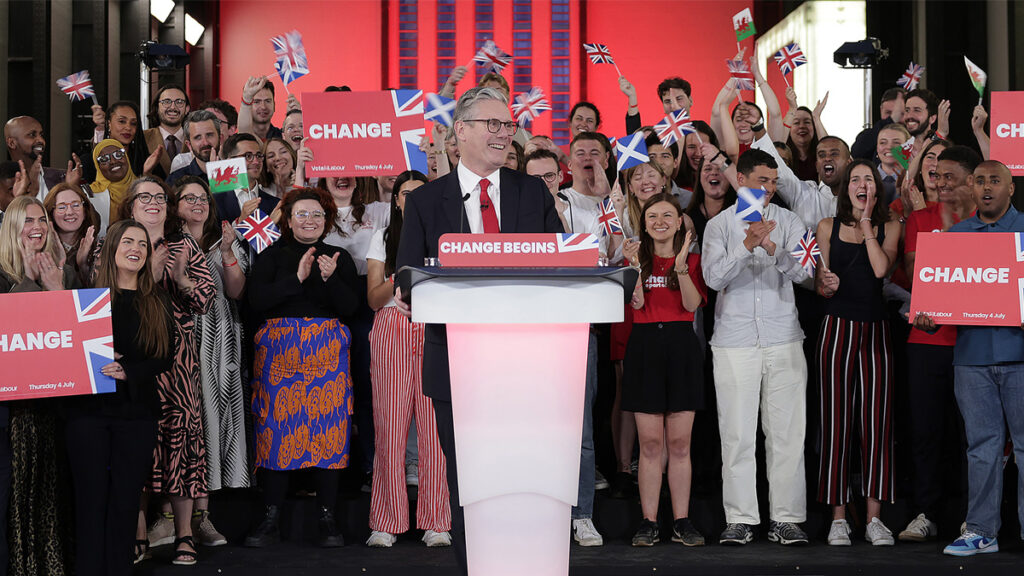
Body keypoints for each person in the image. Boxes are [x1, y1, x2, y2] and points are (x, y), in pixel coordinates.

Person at [396, 86, 563, 575]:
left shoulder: (531, 190)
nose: (502, 133)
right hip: (454, 361)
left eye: (507, 125)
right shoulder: (426, 201)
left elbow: (559, 262)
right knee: (468, 478)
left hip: (527, 361)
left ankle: (528, 563)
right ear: (459, 133)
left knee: (523, 471)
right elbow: (407, 280)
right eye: (491, 124)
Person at [701, 149, 812, 546]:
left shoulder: (789, 220)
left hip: (784, 336)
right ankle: (741, 519)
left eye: (774, 182)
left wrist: (773, 250)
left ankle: (786, 518)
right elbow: (713, 279)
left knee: (786, 434)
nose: (768, 188)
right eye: (762, 180)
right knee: (736, 434)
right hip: (734, 342)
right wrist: (746, 245)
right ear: (743, 180)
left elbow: (806, 271)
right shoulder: (719, 226)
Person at [244, 187, 361, 548]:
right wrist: (295, 279)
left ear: (326, 221)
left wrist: (329, 280)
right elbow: (255, 300)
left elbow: (352, 308)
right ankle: (271, 517)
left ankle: (328, 518)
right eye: (301, 214)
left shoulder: (339, 257)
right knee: (277, 430)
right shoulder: (271, 256)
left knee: (329, 431)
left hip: (327, 358)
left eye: (316, 215)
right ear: (288, 219)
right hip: (280, 358)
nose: (309, 221)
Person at [921, 160, 1024, 557]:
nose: (986, 187)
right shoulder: (955, 237)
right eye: (979, 180)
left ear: (1010, 188)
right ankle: (981, 530)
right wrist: (928, 317)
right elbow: (936, 310)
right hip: (972, 360)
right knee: (982, 447)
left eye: (994, 181)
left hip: (1019, 358)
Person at [65, 219, 174, 576]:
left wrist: (130, 371)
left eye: (143, 244)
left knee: (126, 502)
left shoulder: (156, 300)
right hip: (88, 414)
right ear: (113, 248)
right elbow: (65, 352)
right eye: (129, 241)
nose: (137, 249)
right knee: (90, 501)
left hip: (137, 413)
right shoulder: (87, 298)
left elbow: (165, 356)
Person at [118, 177, 216, 566]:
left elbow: (206, 301)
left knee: (181, 445)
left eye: (160, 197)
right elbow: (106, 295)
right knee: (137, 446)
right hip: (135, 363)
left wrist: (179, 279)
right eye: (146, 197)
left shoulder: (185, 245)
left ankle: (185, 533)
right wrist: (151, 275)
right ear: (131, 206)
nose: (154, 203)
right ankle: (139, 532)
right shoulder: (119, 243)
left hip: (179, 365)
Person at [814, 160, 901, 546]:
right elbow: (821, 285)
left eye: (868, 179)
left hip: (877, 332)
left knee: (876, 426)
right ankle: (837, 519)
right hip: (837, 331)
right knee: (836, 425)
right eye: (855, 179)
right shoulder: (827, 227)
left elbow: (881, 269)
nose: (862, 184)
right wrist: (825, 284)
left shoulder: (890, 225)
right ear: (845, 188)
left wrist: (867, 225)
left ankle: (874, 519)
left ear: (876, 188)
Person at [897, 146, 980, 543]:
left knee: (972, 435)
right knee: (927, 432)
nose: (941, 182)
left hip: (974, 343)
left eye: (949, 176)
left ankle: (971, 516)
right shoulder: (919, 219)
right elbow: (917, 276)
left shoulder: (988, 223)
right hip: (926, 339)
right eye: (936, 175)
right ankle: (926, 511)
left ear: (970, 180)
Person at [365, 170, 451, 548]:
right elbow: (372, 298)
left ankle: (437, 521)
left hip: (435, 328)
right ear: (396, 199)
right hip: (392, 329)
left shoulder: (447, 238)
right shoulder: (383, 237)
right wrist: (403, 275)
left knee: (435, 430)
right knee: (390, 426)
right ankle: (386, 520)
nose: (412, 199)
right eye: (405, 193)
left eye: (420, 192)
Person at [621, 193, 706, 547]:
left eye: (667, 215)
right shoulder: (633, 259)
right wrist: (632, 266)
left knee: (680, 443)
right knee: (651, 443)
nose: (659, 221)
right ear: (644, 222)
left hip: (681, 345)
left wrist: (682, 266)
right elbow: (637, 302)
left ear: (679, 221)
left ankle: (682, 520)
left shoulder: (693, 260)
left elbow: (691, 304)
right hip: (644, 346)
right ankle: (649, 521)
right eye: (652, 215)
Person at [174, 175, 247, 544]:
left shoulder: (225, 242)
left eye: (203, 198)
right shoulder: (170, 245)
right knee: (187, 431)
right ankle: (171, 519)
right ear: (175, 206)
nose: (198, 203)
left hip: (222, 346)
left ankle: (202, 518)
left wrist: (229, 253)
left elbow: (236, 291)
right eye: (188, 198)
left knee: (215, 429)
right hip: (183, 345)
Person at [42, 182, 101, 285]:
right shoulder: (42, 248)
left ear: (85, 210)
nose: (69, 212)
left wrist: (83, 265)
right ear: (51, 212)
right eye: (61, 207)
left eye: (75, 205)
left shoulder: (99, 248)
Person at [89, 101, 163, 181]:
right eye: (122, 121)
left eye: (133, 123)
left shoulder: (148, 161)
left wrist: (147, 173)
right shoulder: (91, 162)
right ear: (109, 123)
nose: (128, 127)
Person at [214, 133, 279, 224]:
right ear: (230, 161)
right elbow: (212, 237)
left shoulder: (275, 204)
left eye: (259, 155)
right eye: (248, 156)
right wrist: (241, 221)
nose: (256, 161)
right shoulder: (215, 202)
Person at [90, 138, 141, 229]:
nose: (113, 161)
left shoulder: (143, 188)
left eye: (118, 154)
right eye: (104, 159)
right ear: (98, 167)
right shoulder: (90, 194)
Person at [143, 84, 191, 177]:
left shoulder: (196, 138)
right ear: (157, 107)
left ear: (187, 109)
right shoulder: (143, 138)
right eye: (166, 102)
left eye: (179, 102)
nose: (173, 107)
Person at [166, 110, 222, 187]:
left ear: (220, 138)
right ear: (189, 145)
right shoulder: (176, 179)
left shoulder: (234, 172)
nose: (205, 142)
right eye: (197, 137)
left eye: (209, 135)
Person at [851, 87, 906, 162]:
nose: (896, 119)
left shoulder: (916, 136)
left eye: (901, 114)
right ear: (881, 110)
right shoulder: (869, 136)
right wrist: (890, 120)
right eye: (888, 113)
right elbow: (856, 154)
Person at [239, 76, 283, 142]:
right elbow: (244, 134)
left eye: (267, 101)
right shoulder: (236, 142)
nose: (263, 107)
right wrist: (247, 98)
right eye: (257, 102)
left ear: (274, 105)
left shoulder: (283, 137)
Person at [875, 124, 909, 205]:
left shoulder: (916, 179)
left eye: (896, 142)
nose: (889, 147)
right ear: (877, 148)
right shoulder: (866, 178)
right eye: (883, 142)